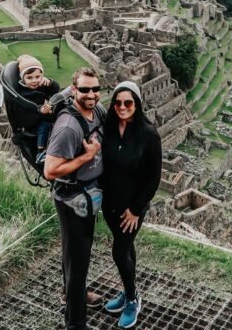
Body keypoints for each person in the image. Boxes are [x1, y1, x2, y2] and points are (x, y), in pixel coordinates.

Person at [44, 67, 106, 330]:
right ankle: (75, 322)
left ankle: (73, 294)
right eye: (84, 89)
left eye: (95, 89)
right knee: (78, 261)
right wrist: (87, 157)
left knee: (74, 255)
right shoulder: (68, 127)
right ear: (73, 90)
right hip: (72, 198)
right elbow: (51, 170)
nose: (91, 94)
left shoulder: (97, 112)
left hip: (87, 194)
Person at [100, 81, 162, 329]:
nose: (122, 107)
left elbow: (154, 177)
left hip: (131, 209)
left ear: (136, 104)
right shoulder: (110, 128)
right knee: (126, 249)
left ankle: (133, 298)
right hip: (110, 204)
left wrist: (136, 209)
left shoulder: (148, 134)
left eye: (128, 102)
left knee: (118, 251)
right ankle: (128, 293)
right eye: (117, 102)